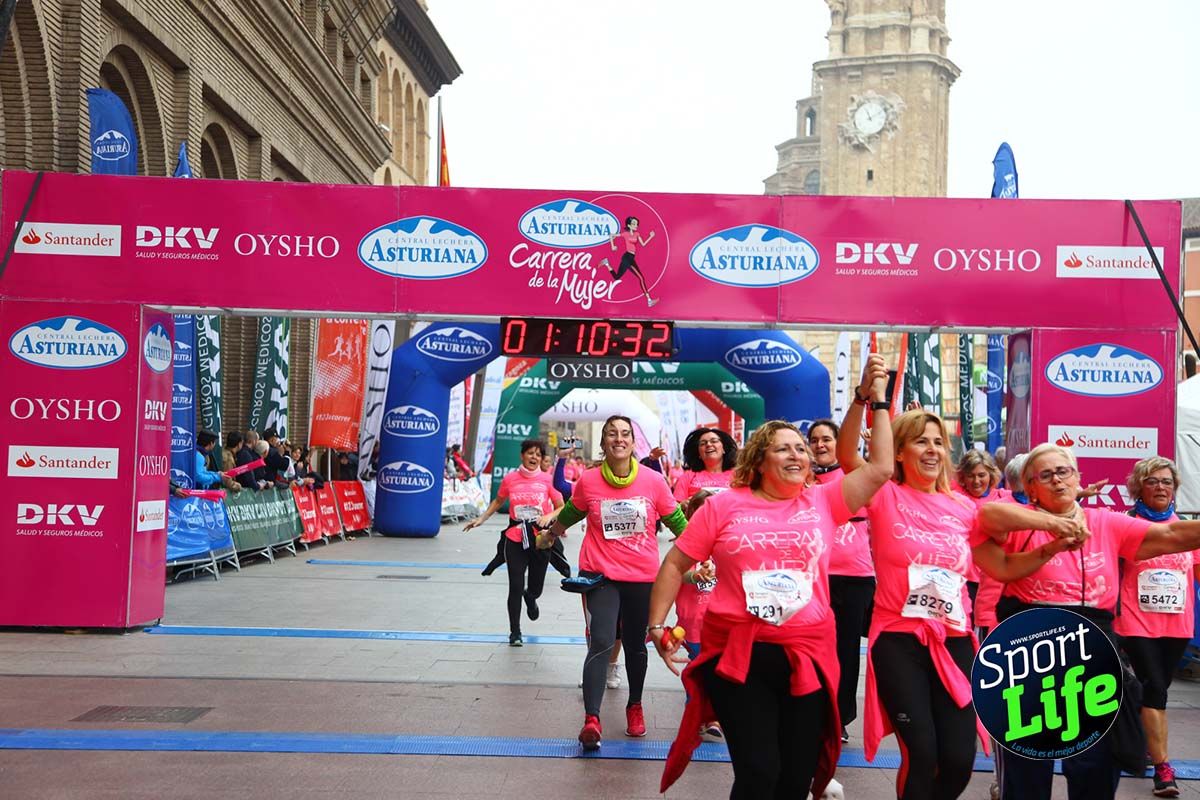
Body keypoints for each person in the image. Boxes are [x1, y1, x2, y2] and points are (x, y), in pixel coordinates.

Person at [655, 354, 894, 799]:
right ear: (760, 458)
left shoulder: (824, 501)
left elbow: (880, 468)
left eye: (801, 448)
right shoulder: (724, 505)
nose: (798, 454)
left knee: (795, 777)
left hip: (808, 653)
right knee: (758, 771)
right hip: (739, 654)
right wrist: (656, 626)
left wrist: (869, 399)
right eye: (784, 447)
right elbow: (675, 563)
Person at [972, 443, 1200, 800]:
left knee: (1095, 767)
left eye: (1064, 472)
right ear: (1030, 487)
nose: (1057, 480)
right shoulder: (1017, 521)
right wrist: (1054, 524)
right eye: (1045, 475)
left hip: (1092, 656)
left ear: (1078, 478)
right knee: (1027, 775)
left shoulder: (1103, 521)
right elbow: (986, 518)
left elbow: (1170, 536)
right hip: (1029, 657)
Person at [836, 390, 988, 800]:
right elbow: (848, 453)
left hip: (954, 641)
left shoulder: (965, 508)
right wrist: (863, 400)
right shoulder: (885, 493)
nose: (932, 449)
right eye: (921, 440)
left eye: (939, 441)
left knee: (958, 760)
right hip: (899, 640)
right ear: (899, 452)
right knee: (922, 754)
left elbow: (999, 559)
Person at [547, 415, 687, 749]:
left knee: (637, 645)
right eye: (612, 434)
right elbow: (572, 512)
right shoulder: (589, 481)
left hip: (642, 578)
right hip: (600, 577)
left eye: (625, 434)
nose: (619, 439)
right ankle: (591, 719)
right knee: (602, 641)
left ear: (633, 442)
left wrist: (704, 548)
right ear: (604, 442)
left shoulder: (653, 481)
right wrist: (550, 534)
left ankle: (635, 706)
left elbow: (677, 520)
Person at [1116, 457, 1195, 798]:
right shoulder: (1125, 525)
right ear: (1139, 488)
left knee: (1155, 688)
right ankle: (1164, 769)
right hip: (1135, 620)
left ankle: (1145, 738)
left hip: (1177, 623)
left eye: (1166, 481)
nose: (1161, 487)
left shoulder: (1186, 528)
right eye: (1153, 481)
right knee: (1155, 688)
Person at [808, 418, 873, 743]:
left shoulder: (856, 476)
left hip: (855, 579)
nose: (820, 445)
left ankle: (840, 718)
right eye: (815, 440)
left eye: (826, 439)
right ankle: (812, 712)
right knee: (811, 651)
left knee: (846, 653)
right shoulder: (801, 479)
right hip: (812, 579)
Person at [465, 439, 564, 646]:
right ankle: (515, 632)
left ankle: (531, 597)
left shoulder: (547, 480)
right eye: (530, 453)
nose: (534, 457)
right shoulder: (510, 479)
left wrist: (548, 517)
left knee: (535, 587)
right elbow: (498, 501)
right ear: (522, 456)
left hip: (539, 539)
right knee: (515, 586)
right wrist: (481, 519)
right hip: (515, 538)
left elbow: (561, 506)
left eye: (538, 454)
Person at [599, 215, 658, 308]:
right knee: (641, 278)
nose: (636, 225)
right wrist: (612, 246)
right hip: (627, 257)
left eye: (637, 224)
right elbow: (611, 235)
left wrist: (650, 237)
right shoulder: (625, 234)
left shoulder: (637, 234)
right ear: (629, 225)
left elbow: (643, 244)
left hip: (631, 258)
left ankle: (606, 263)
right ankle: (649, 300)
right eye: (634, 224)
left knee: (617, 277)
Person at [673, 427, 737, 502]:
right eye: (703, 443)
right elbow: (675, 507)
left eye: (714, 441)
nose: (709, 444)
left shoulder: (737, 476)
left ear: (724, 449)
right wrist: (683, 505)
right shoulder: (687, 477)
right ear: (699, 454)